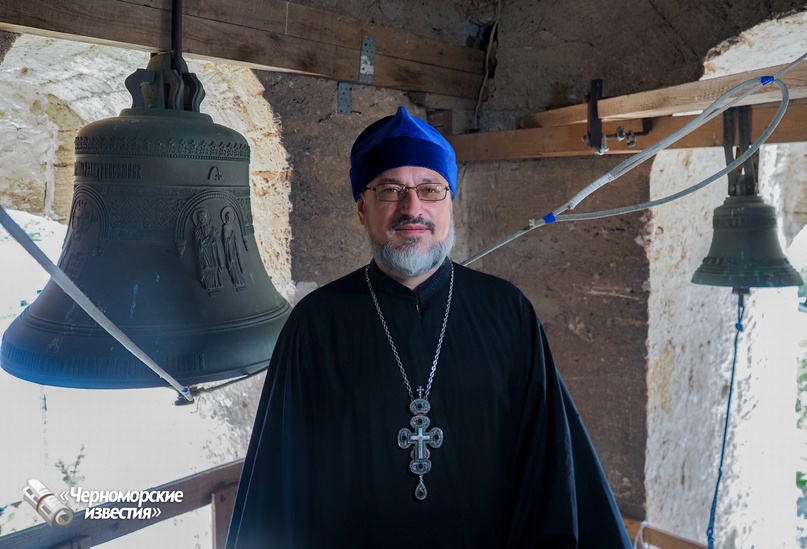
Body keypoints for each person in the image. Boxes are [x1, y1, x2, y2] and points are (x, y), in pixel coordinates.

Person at [225, 106, 631, 548]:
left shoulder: (507, 311)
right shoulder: (316, 324)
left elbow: (550, 464)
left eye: (430, 189)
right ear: (362, 209)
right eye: (390, 190)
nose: (412, 207)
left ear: (450, 205)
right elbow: (278, 485)